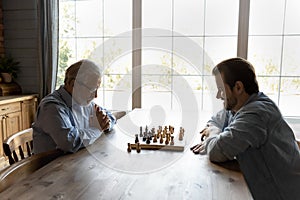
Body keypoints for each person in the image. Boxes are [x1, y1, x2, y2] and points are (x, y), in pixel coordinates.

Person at [190, 57, 300, 200]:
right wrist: (215, 131)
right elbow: (215, 120)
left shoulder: (256, 115)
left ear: (238, 87)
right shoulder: (240, 106)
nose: (218, 96)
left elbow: (216, 151)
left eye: (221, 90)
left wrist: (212, 134)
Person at [33, 59, 116, 154]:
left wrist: (105, 123)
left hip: (75, 161)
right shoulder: (51, 107)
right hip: (50, 167)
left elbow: (110, 116)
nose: (95, 96)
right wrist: (97, 129)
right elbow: (70, 142)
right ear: (73, 84)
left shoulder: (84, 101)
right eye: (92, 90)